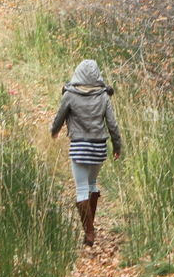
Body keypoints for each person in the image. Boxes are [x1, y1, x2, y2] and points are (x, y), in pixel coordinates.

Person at [50, 59, 121, 247]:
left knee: (81, 188)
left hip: (79, 146)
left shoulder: (70, 95)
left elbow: (59, 117)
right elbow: (112, 124)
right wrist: (117, 145)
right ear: (97, 76)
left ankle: (89, 232)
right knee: (92, 184)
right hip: (99, 147)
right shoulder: (104, 96)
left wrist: (54, 131)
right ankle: (90, 225)